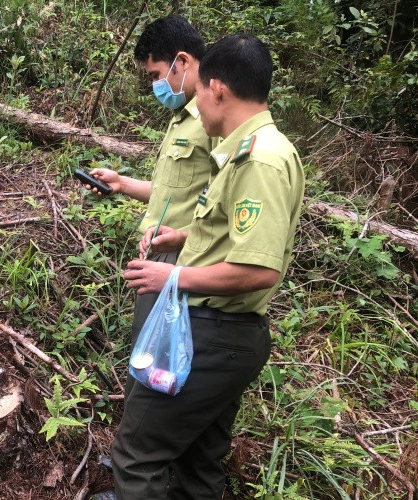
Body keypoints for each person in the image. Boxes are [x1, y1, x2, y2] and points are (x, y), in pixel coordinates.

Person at [112, 34, 305, 498]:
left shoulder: (259, 160)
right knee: (201, 458)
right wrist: (185, 237)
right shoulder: (252, 150)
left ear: (216, 88)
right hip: (225, 336)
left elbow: (259, 270)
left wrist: (172, 273)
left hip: (210, 333)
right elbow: (231, 236)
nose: (195, 102)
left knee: (136, 454)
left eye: (199, 91)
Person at [82, 15, 218, 394]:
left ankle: (137, 448)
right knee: (149, 349)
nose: (157, 84)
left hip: (181, 258)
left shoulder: (211, 120)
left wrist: (180, 247)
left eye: (158, 73)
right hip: (157, 253)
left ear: (183, 61)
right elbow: (169, 190)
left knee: (157, 359)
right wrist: (122, 183)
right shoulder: (181, 118)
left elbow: (220, 203)